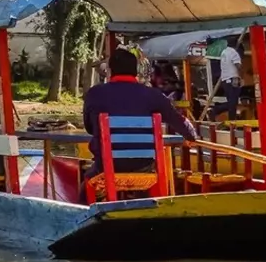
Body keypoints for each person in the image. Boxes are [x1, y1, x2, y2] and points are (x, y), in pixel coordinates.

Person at [82, 47, 196, 182]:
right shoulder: (153, 95)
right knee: (146, 174)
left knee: (87, 182)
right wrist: (191, 135)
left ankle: (85, 201)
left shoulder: (95, 94)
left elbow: (89, 128)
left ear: (110, 71)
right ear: (136, 71)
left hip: (106, 165)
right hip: (143, 164)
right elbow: (178, 121)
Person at [215, 40, 243, 120]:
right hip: (233, 78)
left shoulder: (223, 52)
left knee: (231, 101)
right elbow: (238, 66)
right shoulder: (234, 52)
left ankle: (232, 119)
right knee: (233, 102)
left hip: (225, 79)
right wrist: (242, 77)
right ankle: (217, 109)